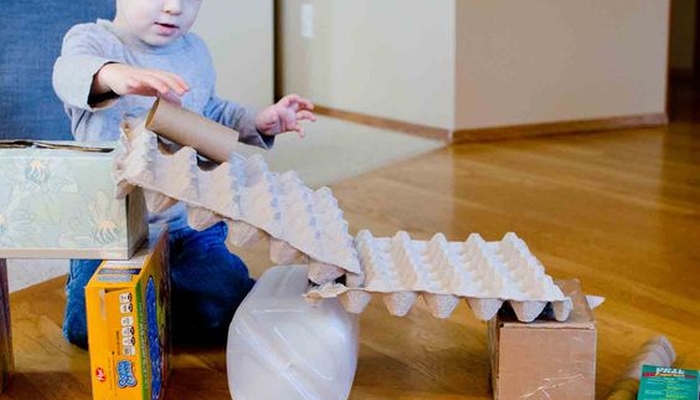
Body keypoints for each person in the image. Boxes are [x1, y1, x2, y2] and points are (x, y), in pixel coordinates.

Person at [52, 0, 316, 348]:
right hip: (110, 232)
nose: (174, 8)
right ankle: (152, 309)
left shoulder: (194, 51)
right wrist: (118, 76)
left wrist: (257, 121)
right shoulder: (92, 40)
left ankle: (165, 308)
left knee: (226, 303)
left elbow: (210, 111)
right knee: (90, 329)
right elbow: (69, 74)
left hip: (186, 224)